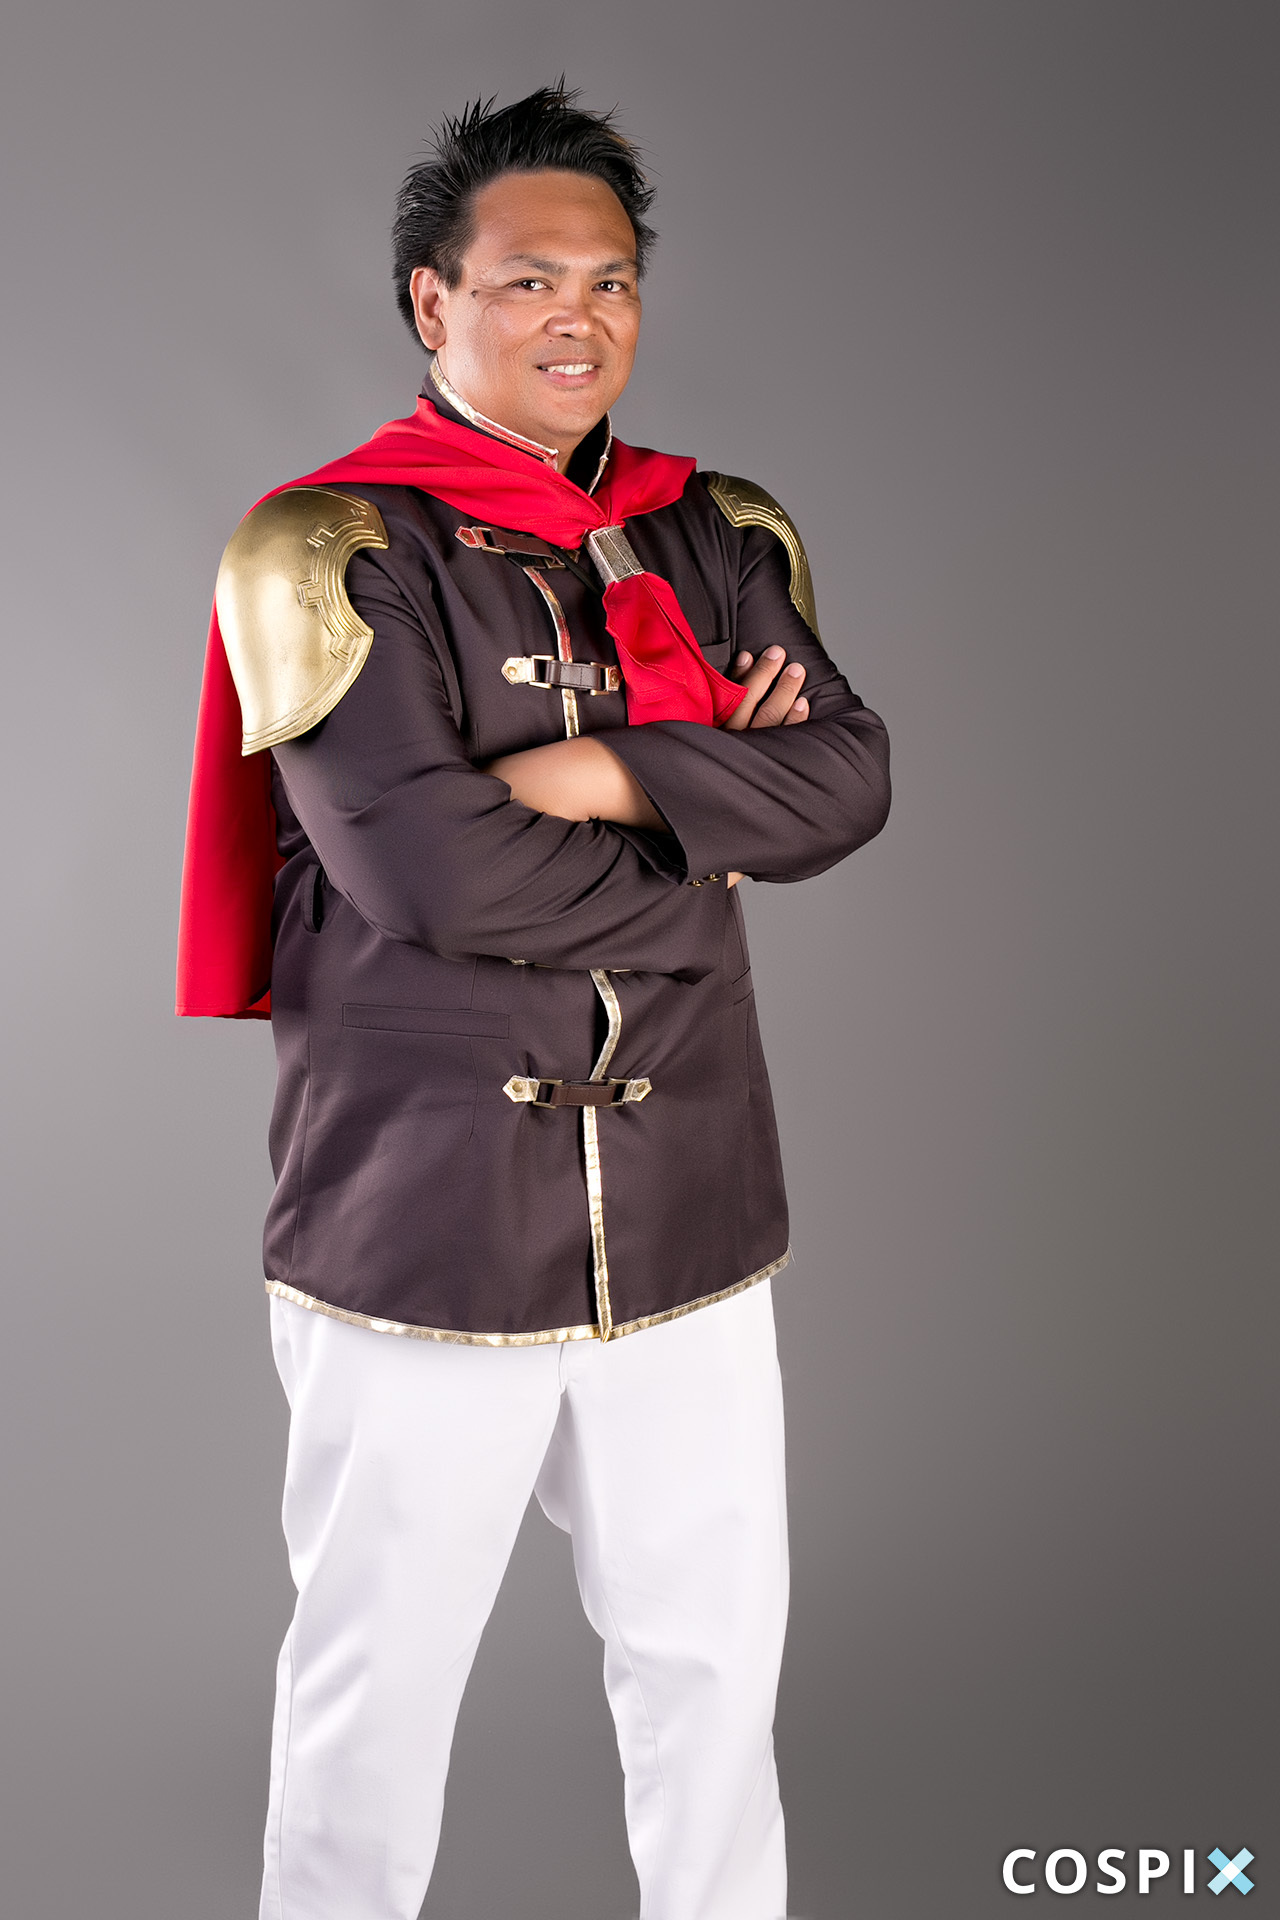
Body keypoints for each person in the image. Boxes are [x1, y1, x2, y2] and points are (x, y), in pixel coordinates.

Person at [178, 84, 890, 1920]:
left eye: (610, 281)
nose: (577, 318)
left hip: (693, 1209)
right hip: (422, 1217)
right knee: (376, 1692)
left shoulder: (717, 530)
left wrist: (592, 770)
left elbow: (851, 781)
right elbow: (433, 878)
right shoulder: (329, 546)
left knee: (715, 1677)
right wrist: (704, 821)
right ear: (434, 301)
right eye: (527, 282)